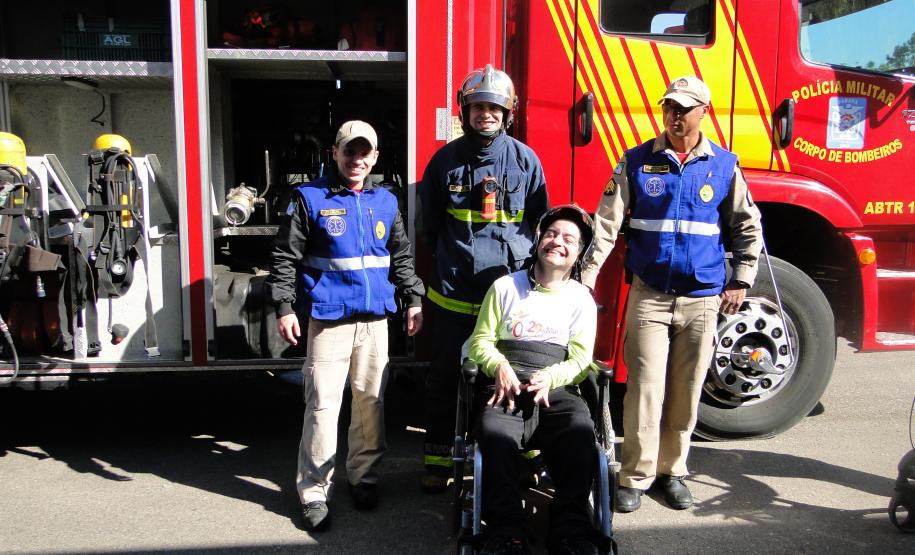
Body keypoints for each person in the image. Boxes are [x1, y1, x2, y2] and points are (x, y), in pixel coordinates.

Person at [580, 76, 763, 513]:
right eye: (670, 108)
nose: (675, 116)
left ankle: (673, 471)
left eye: (685, 108)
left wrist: (740, 278)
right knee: (644, 388)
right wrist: (586, 279)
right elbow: (606, 225)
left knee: (687, 388)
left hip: (703, 298)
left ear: (705, 111)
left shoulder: (723, 165)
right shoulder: (637, 161)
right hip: (650, 295)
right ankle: (635, 476)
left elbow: (746, 225)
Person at [268, 120, 425, 531]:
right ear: (334, 153)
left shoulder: (385, 202)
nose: (357, 159)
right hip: (329, 319)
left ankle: (363, 476)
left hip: (376, 321)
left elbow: (401, 255)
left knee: (370, 403)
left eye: (365, 152)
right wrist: (284, 306)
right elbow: (285, 257)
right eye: (349, 151)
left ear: (374, 157)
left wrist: (412, 298)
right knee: (322, 405)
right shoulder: (309, 198)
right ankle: (315, 491)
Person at [418, 64, 549, 492]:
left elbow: (539, 223)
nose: (485, 114)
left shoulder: (526, 161)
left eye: (494, 107)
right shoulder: (443, 162)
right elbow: (430, 228)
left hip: (508, 300)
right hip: (453, 296)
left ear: (507, 113)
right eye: (478, 107)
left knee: (513, 375)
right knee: (443, 379)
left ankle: (519, 456)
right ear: (464, 111)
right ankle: (439, 463)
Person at [468, 204, 608, 555]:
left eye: (569, 239)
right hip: (506, 381)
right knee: (496, 435)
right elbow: (479, 342)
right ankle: (506, 529)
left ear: (578, 253)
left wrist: (551, 376)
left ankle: (570, 528)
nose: (557, 242)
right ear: (538, 239)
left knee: (579, 431)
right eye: (551, 233)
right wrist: (498, 365)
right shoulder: (504, 287)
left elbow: (579, 359)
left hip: (555, 385)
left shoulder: (581, 299)